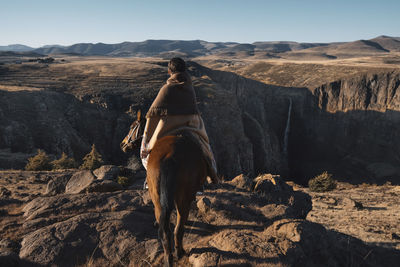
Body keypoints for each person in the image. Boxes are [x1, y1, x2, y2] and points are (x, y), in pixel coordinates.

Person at [140, 57, 219, 187]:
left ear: (169, 71)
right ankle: (211, 175)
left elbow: (153, 113)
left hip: (170, 125)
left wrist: (147, 140)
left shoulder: (166, 89)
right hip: (192, 125)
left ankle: (150, 181)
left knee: (147, 154)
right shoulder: (190, 87)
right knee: (206, 148)